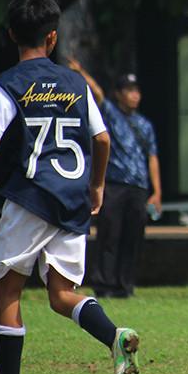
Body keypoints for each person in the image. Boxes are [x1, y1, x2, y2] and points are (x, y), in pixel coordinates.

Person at [0, 0, 139, 374]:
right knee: (62, 294)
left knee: (9, 291)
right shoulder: (76, 82)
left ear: (11, 35)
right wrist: (96, 186)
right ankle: (114, 336)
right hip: (72, 199)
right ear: (53, 37)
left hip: (29, 197)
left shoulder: (5, 84)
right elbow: (102, 139)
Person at [68, 61, 161, 299]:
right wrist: (81, 72)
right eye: (129, 91)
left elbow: (152, 157)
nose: (134, 95)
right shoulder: (110, 113)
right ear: (119, 94)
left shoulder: (145, 125)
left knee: (134, 237)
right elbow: (97, 93)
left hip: (138, 187)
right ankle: (104, 285)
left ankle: (125, 286)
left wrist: (156, 191)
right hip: (114, 185)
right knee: (110, 234)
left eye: (136, 91)